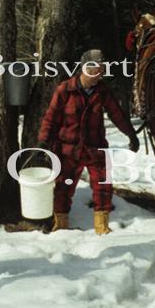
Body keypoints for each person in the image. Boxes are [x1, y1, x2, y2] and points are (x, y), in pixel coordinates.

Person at [37, 49, 140, 235]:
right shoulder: (65, 90)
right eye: (93, 70)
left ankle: (102, 227)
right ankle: (60, 225)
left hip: (95, 148)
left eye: (100, 70)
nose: (97, 75)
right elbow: (50, 118)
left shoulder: (103, 91)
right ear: (83, 69)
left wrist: (131, 134)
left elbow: (117, 114)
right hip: (68, 150)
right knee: (63, 188)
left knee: (103, 187)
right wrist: (43, 141)